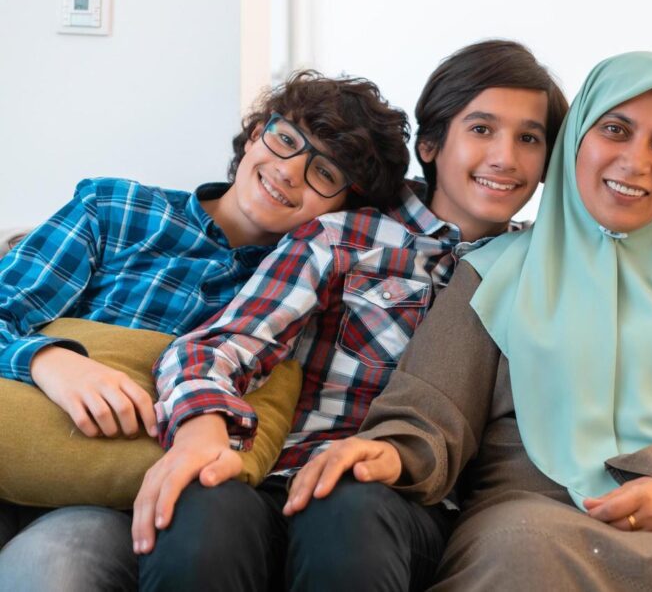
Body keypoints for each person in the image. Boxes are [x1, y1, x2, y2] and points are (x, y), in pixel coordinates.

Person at [295, 51, 652, 590]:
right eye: (615, 130)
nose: (636, 162)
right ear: (572, 141)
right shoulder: (494, 270)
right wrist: (392, 449)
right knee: (518, 552)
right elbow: (432, 404)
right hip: (540, 509)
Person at [136, 39, 569, 591]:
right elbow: (218, 346)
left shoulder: (546, 266)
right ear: (432, 143)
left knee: (348, 511)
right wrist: (200, 431)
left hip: (405, 502)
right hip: (283, 477)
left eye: (529, 138)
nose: (505, 157)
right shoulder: (346, 237)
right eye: (481, 129)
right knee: (199, 511)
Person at [0, 69, 411, 591]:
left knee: (53, 569)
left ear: (344, 211)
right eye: (285, 140)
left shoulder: (300, 294)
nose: (288, 172)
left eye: (323, 173)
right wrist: (51, 361)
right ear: (258, 129)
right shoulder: (118, 209)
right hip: (16, 434)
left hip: (106, 501)